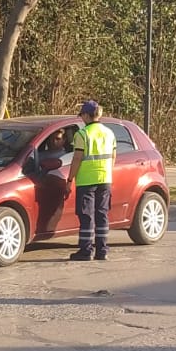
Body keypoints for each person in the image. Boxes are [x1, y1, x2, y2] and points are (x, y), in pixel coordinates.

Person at [68, 99, 116, 261]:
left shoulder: (82, 134)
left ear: (88, 116)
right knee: (102, 215)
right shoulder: (109, 133)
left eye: (82, 115)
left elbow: (77, 158)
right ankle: (102, 250)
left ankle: (85, 251)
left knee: (86, 216)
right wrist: (107, 172)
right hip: (105, 178)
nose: (81, 118)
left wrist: (70, 179)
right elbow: (113, 157)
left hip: (87, 181)